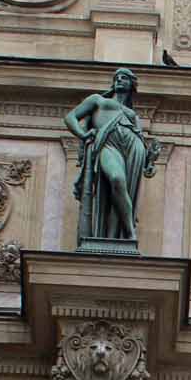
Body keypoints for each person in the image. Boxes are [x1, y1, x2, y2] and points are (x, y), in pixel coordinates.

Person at [65, 68, 154, 246]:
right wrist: (83, 135)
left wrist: (149, 160)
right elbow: (70, 117)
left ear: (131, 85)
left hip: (133, 148)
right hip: (107, 144)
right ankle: (130, 231)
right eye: (117, 78)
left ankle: (122, 235)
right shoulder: (98, 100)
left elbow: (141, 138)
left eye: (125, 78)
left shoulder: (132, 115)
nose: (120, 80)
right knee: (116, 178)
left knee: (124, 189)